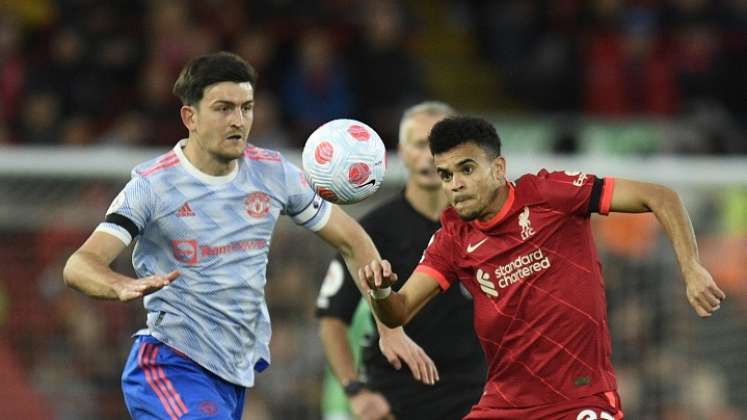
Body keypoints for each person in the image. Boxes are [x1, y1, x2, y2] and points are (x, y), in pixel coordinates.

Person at [62, 51, 435, 420]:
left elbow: (352, 241)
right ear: (189, 116)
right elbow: (80, 265)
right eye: (224, 108)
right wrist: (118, 285)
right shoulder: (152, 186)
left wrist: (390, 327)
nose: (238, 120)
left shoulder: (273, 174)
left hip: (232, 375)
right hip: (169, 364)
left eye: (247, 107)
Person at [359, 116, 726, 420]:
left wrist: (692, 268)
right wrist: (380, 291)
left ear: (498, 167)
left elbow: (659, 196)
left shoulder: (551, 195)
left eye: (466, 169)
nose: (456, 185)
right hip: (505, 406)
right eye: (446, 175)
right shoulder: (453, 238)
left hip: (580, 401)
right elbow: (400, 311)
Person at [316, 103, 486, 420]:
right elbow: (332, 318)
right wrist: (355, 391)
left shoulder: (485, 226)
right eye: (420, 144)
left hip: (477, 399)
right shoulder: (370, 233)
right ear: (402, 152)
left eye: (441, 145)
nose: (429, 154)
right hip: (396, 401)